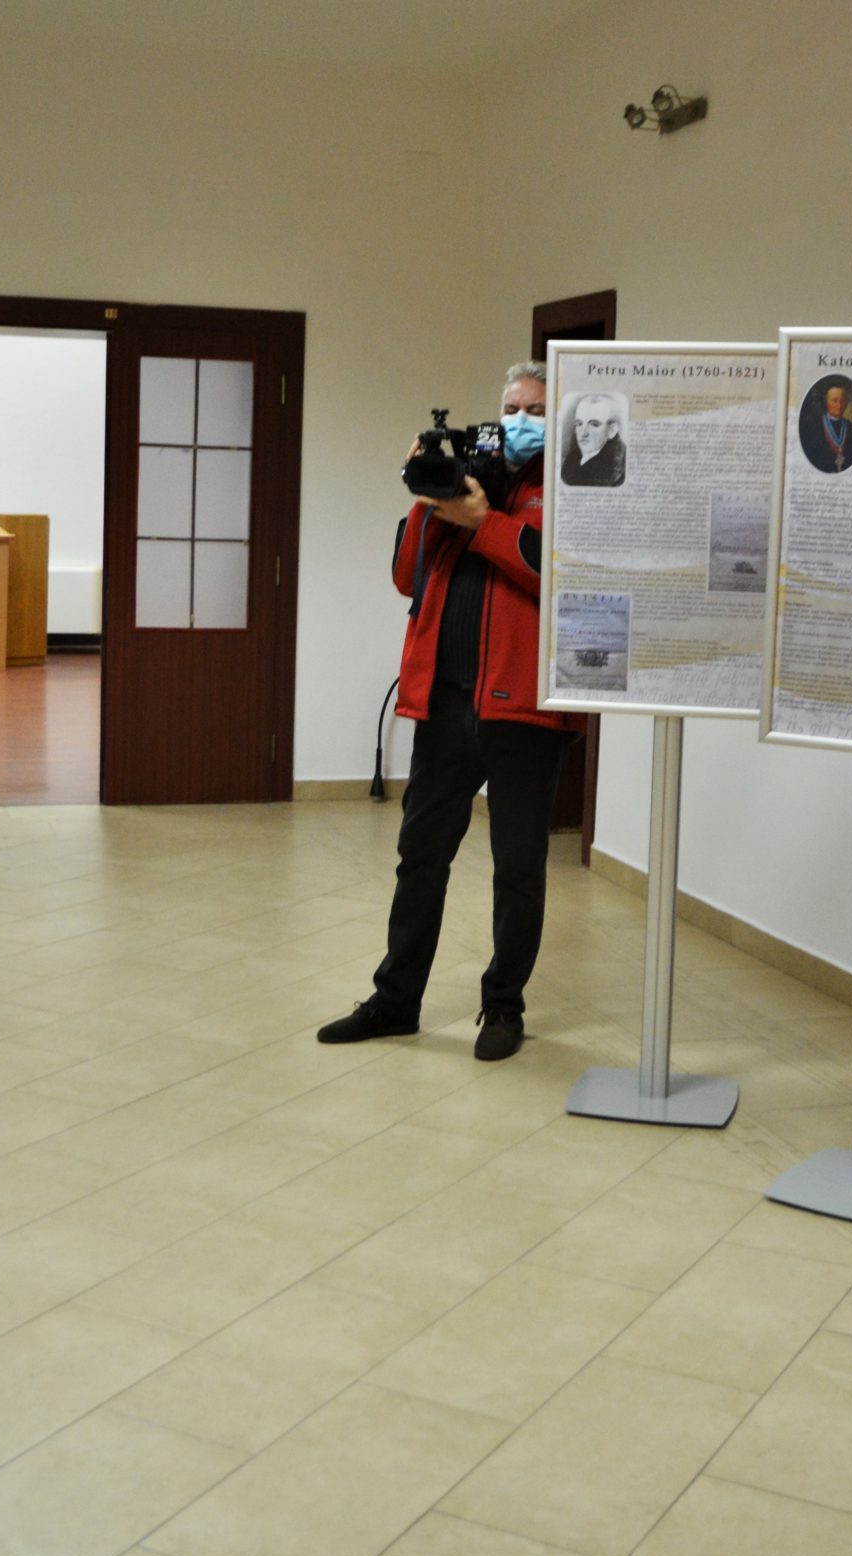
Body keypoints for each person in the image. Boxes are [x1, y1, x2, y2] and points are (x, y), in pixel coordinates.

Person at [319, 360, 581, 1063]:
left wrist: (482, 520)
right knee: (420, 857)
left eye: (536, 409)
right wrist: (425, 489)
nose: (521, 419)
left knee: (517, 865)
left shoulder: (575, 487)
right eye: (511, 406)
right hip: (444, 702)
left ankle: (503, 1006)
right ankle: (396, 1000)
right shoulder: (469, 480)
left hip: (522, 708)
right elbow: (408, 571)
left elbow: (551, 567)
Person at [560, 394, 627, 487]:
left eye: (594, 424)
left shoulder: (617, 469)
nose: (583, 433)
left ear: (612, 431)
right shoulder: (572, 459)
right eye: (579, 424)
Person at [798, 379, 852, 473]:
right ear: (826, 401)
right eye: (834, 400)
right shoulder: (812, 428)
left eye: (842, 400)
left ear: (846, 403)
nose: (839, 405)